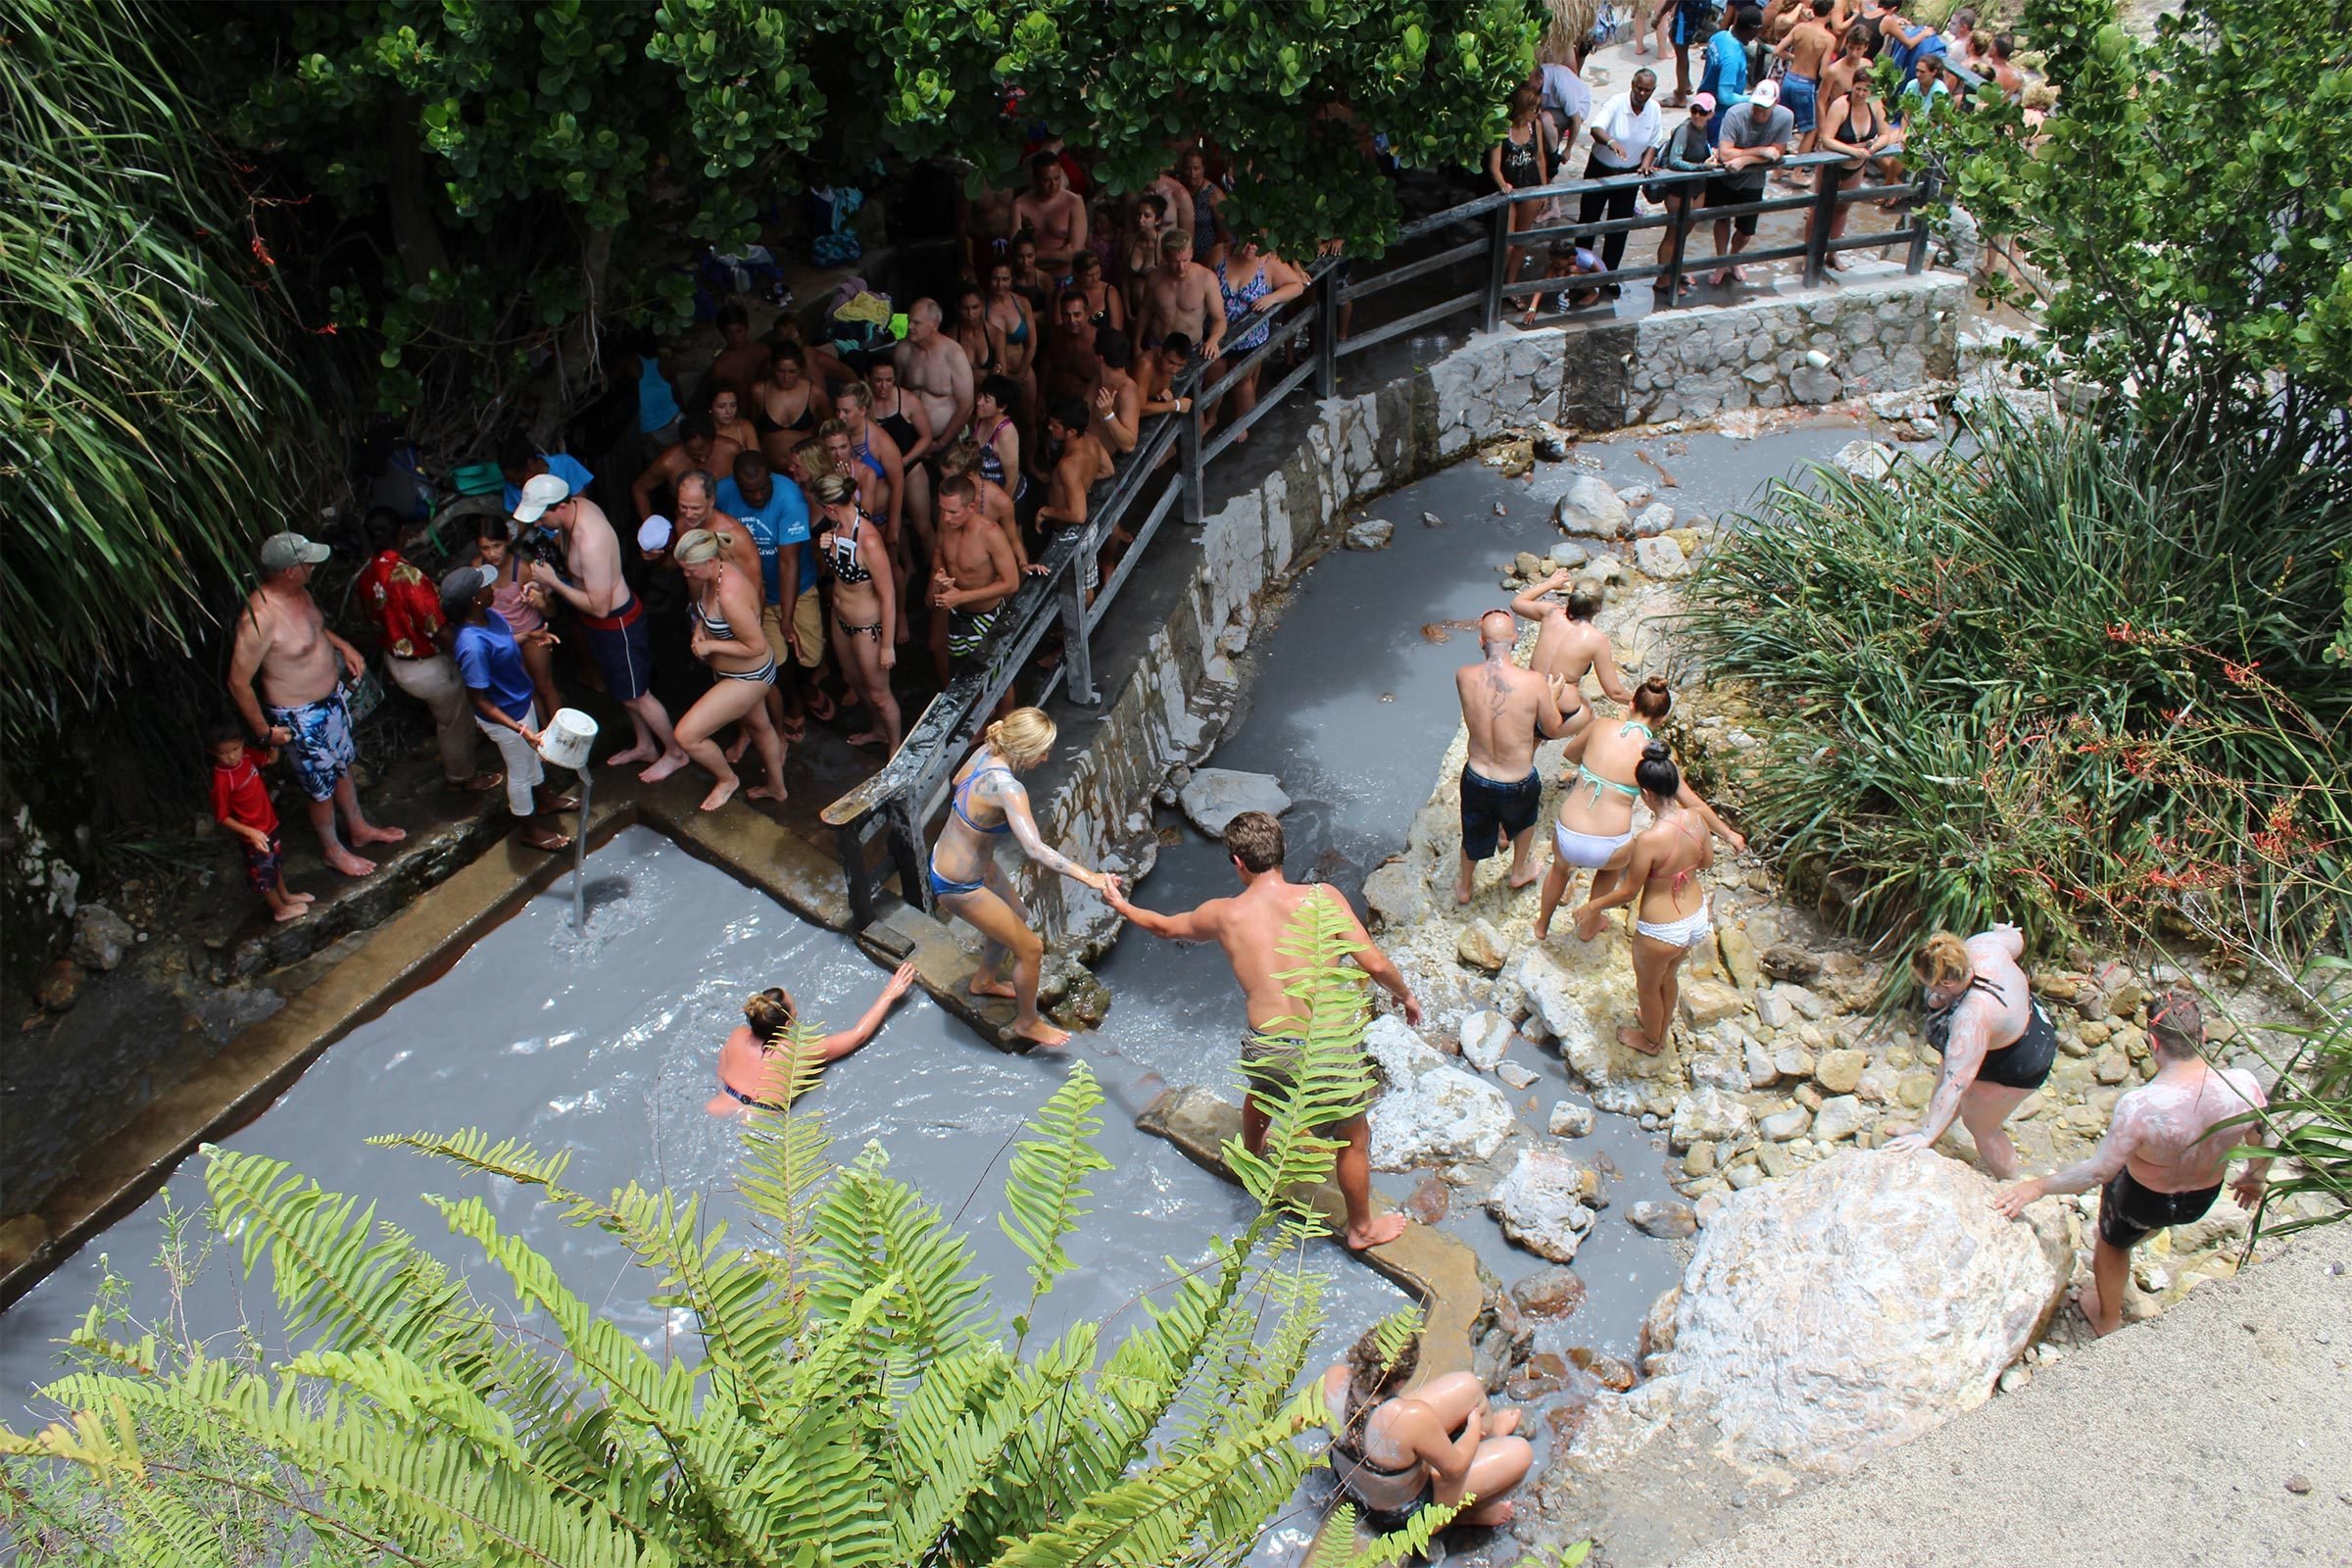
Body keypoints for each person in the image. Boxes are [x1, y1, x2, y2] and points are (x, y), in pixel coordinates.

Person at [1106, 811, 1421, 1248]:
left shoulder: (1223, 914)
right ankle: (1362, 1229)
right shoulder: (1323, 897)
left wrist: (1122, 905)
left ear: (1237, 862)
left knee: (1265, 1086)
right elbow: (1375, 963)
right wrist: (1406, 997)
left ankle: (1252, 1155)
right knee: (1353, 1136)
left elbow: (1163, 927)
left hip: (1267, 1044)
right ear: (1282, 851)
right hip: (1322, 1047)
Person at [1993, 990, 2273, 1336]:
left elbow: (2099, 1171)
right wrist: (2255, 1177)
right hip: (2199, 1201)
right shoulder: (2243, 1085)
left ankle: (2106, 1317)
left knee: (2112, 1243)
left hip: (2143, 1200)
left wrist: (2037, 1186)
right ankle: (2146, 1241)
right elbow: (2261, 1136)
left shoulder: (2140, 1106)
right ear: (2202, 1035)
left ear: (2154, 1043)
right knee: (2150, 1221)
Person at [925, 709, 1115, 1049]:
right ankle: (1028, 1023)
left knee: (1019, 918)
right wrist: (1089, 876)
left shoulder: (985, 751)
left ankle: (983, 981)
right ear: (1024, 750)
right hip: (958, 884)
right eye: (1042, 751)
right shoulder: (1009, 788)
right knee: (1031, 948)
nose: (1046, 758)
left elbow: (957, 783)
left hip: (957, 859)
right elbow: (1035, 849)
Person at [227, 532, 408, 877]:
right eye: (306, 562)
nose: (313, 566)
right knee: (320, 789)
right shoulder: (260, 618)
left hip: (331, 700)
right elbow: (238, 682)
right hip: (300, 716)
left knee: (342, 767)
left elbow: (314, 631)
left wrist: (343, 647)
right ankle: (332, 850)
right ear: (290, 571)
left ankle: (358, 828)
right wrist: (265, 733)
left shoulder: (300, 592)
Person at [1535, 676, 1743, 941]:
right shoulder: (1653, 758)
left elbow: (1570, 754)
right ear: (1662, 720)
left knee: (1559, 869)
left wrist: (1591, 766)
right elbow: (1692, 802)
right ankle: (1588, 927)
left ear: (1631, 703)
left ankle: (1542, 925)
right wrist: (1729, 834)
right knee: (1610, 869)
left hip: (1568, 835)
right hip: (1608, 847)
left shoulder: (1600, 726)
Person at [519, 472, 690, 780]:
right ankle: (645, 745)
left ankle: (676, 752)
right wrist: (543, 585)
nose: (536, 524)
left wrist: (554, 583)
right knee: (624, 693)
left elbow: (599, 605)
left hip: (617, 623)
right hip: (600, 623)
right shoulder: (578, 507)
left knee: (639, 695)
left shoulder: (591, 540)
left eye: (540, 516)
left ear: (559, 507)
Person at [1570, 741, 1721, 1054]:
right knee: (1669, 976)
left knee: (1648, 987)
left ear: (1646, 795)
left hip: (1662, 929)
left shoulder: (1649, 840)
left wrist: (1592, 905)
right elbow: (1706, 863)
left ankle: (1652, 1041)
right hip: (1695, 918)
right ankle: (1660, 1024)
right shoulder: (1696, 818)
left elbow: (1628, 892)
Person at [1886, 926, 2060, 1177]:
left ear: (1946, 982)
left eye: (1927, 983)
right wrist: (2006, 929)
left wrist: (1924, 1138)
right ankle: (1933, 1125)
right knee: (1950, 1068)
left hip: (2020, 1058)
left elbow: (1956, 1084)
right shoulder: (1981, 945)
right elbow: (2015, 939)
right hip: (2028, 1018)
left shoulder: (1972, 1018)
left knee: (1980, 1124)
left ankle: (2009, 1183)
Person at [1322, 1326, 1532, 1530]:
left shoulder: (1333, 1377)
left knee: (1469, 1387)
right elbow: (1454, 1469)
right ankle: (1468, 1514)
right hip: (1397, 1513)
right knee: (1521, 1453)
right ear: (1400, 1381)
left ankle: (1492, 1436)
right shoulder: (1410, 1419)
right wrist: (1474, 1429)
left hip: (1352, 1478)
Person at [353, 509, 497, 798]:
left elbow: (365, 614)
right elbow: (438, 629)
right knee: (455, 721)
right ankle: (462, 777)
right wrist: (467, 658)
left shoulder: (367, 571)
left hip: (395, 659)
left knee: (445, 714)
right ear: (402, 533)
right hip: (426, 666)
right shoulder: (408, 577)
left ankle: (445, 732)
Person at [440, 564, 578, 851]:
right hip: (505, 717)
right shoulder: (471, 646)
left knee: (532, 757)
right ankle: (528, 830)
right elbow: (478, 699)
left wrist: (526, 637)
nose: (493, 589)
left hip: (519, 700)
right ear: (475, 600)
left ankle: (546, 801)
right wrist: (519, 729)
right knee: (519, 771)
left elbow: (500, 645)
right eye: (486, 587)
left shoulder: (488, 616)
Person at [662, 528, 788, 811]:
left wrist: (712, 649)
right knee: (759, 726)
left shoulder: (729, 594)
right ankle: (778, 789)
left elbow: (756, 645)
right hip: (733, 673)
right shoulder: (714, 574)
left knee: (686, 736)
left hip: (749, 676)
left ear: (708, 561)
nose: (686, 575)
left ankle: (727, 779)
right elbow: (706, 613)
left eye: (689, 570)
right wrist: (699, 630)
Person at [1454, 610, 1575, 905]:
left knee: (1472, 828)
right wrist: (1551, 695)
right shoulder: (1533, 682)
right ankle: (1518, 871)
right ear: (1515, 639)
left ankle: (1466, 887)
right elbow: (1552, 728)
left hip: (1477, 775)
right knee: (1525, 821)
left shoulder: (1464, 676)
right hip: (1517, 778)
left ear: (1481, 641)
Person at [707, 961, 922, 1113]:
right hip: (760, 1120)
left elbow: (722, 1073)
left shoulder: (737, 1035)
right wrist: (890, 993)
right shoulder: (800, 1052)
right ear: (788, 1024)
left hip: (719, 1105)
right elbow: (858, 1036)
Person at [715, 450, 817, 739]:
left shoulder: (790, 497)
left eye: (764, 488)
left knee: (812, 653)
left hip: (797, 586)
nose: (759, 496)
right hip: (751, 594)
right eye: (751, 492)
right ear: (736, 484)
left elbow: (789, 562)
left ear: (771, 477)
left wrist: (787, 619)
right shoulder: (722, 493)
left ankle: (807, 685)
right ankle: (793, 700)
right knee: (776, 658)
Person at [810, 471, 902, 752]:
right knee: (854, 681)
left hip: (867, 628)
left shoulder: (869, 540)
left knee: (879, 694)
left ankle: (895, 749)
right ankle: (878, 730)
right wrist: (824, 545)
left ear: (830, 508)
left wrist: (887, 645)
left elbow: (888, 595)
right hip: (841, 620)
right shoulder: (836, 530)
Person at [208, 718, 313, 923]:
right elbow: (222, 817)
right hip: (254, 834)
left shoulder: (246, 757)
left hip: (268, 824)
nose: (231, 756)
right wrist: (250, 832)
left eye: (235, 748)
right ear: (213, 753)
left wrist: (272, 740)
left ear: (242, 744)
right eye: (223, 752)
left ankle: (286, 896)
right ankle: (279, 909)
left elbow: (270, 759)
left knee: (275, 863)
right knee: (264, 874)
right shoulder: (222, 780)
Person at [474, 516, 564, 727]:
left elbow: (552, 611)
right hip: (506, 638)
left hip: (533, 632)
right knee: (526, 689)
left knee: (544, 686)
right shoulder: (478, 568)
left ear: (507, 540)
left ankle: (561, 735)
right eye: (485, 548)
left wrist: (540, 602)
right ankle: (542, 736)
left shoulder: (523, 568)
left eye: (496, 545)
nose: (492, 553)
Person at [1210, 241, 1305, 440]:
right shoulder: (1220, 253)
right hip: (1217, 334)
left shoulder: (1269, 261)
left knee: (1242, 381)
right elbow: (1201, 278)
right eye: (1245, 242)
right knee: (1213, 379)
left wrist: (1272, 298)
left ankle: (1241, 423)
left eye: (1255, 243)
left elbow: (1297, 286)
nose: (1249, 247)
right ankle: (1210, 418)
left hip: (1251, 336)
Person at [1580, 70, 1664, 286]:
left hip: (1628, 175)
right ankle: (1579, 272)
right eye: (1639, 88)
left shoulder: (1654, 109)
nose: (1642, 93)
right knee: (1588, 222)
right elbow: (1596, 128)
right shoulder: (1616, 102)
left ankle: (1608, 276)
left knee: (1619, 227)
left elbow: (1654, 143)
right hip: (1601, 171)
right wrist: (1611, 142)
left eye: (1647, 90)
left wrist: (1645, 164)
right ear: (1632, 84)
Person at [1508, 573, 1635, 718]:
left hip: (1528, 695)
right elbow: (1614, 692)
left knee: (1530, 736)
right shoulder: (1597, 640)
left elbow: (1516, 603)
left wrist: (1550, 584)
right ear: (1598, 607)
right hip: (1561, 707)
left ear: (1572, 598)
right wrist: (1639, 703)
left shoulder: (1550, 613)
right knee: (1587, 711)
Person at [929, 474, 1021, 670]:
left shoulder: (991, 534)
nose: (946, 517)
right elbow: (938, 551)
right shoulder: (947, 523)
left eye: (953, 512)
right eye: (942, 510)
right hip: (956, 612)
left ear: (970, 507)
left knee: (996, 679)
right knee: (959, 668)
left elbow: (1011, 582)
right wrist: (939, 574)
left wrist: (962, 596)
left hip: (986, 615)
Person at [1706, 79, 1793, 285]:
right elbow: (1726, 153)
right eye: (1756, 105)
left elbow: (1777, 153)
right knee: (1721, 219)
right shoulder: (1735, 114)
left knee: (1746, 231)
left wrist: (1744, 159)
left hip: (1753, 181)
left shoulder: (1785, 117)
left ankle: (1733, 257)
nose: (1759, 111)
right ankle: (1721, 260)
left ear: (1776, 103)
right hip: (1727, 177)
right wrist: (1761, 151)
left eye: (1765, 107)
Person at [1806, 62, 1888, 260]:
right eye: (1858, 89)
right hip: (1833, 164)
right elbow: (1827, 138)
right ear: (1852, 87)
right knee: (1819, 209)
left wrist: (1873, 147)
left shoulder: (1875, 104)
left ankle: (1832, 252)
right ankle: (1808, 254)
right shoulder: (1840, 105)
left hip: (1857, 165)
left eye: (1865, 90)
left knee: (1843, 208)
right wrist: (1852, 150)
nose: (1861, 94)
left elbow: (1886, 134)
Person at [892, 298, 975, 483]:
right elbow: (896, 394)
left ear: (934, 324)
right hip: (911, 439)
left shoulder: (954, 354)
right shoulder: (903, 350)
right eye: (909, 320)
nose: (910, 326)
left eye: (917, 322)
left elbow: (966, 407)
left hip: (946, 439)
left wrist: (941, 442)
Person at [1488, 85, 1556, 297]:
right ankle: (1494, 288)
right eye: (1533, 109)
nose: (1536, 113)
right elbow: (1494, 165)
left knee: (1521, 243)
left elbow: (1540, 158)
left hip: (1530, 187)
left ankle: (1511, 287)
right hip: (1510, 191)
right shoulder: (1502, 128)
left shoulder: (1534, 125)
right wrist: (1502, 185)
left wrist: (1544, 190)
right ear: (1521, 107)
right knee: (1506, 245)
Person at [1646, 93, 1718, 294]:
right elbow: (1674, 162)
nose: (1697, 115)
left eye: (1702, 112)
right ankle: (1663, 279)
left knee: (1683, 234)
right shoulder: (1683, 130)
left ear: (1711, 114)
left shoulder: (1704, 130)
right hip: (1679, 190)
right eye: (1694, 110)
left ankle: (1674, 271)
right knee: (1673, 233)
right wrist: (1701, 168)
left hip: (1696, 189)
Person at [631, 410, 741, 522]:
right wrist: (650, 525)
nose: (702, 459)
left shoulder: (732, 450)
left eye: (708, 454)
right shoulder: (668, 462)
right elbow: (639, 488)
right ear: (683, 445)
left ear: (714, 440)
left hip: (730, 518)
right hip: (689, 525)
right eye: (695, 456)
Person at [1140, 228, 1225, 361]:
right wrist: (1136, 342)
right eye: (1175, 261)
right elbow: (1145, 310)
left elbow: (1220, 319)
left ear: (1191, 252)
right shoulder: (1154, 277)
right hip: (1158, 345)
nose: (1181, 267)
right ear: (1165, 256)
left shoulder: (1207, 279)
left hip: (1191, 348)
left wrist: (1213, 340)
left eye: (1185, 260)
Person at [749, 340, 831, 465]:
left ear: (801, 369)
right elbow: (750, 427)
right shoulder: (759, 392)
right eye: (780, 371)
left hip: (807, 467)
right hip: (769, 467)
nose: (786, 377)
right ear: (772, 368)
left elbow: (831, 428)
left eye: (792, 371)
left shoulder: (815, 394)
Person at [1777, 0, 1840, 157]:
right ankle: (1798, 171)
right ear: (1830, 13)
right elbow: (1823, 72)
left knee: (1785, 124)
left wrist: (1795, 57)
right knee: (1811, 129)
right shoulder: (1828, 38)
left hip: (1789, 78)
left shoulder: (1800, 28)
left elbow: (1778, 50)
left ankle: (1777, 170)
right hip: (1806, 84)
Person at [1011, 151, 1088, 277]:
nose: (1053, 185)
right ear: (1035, 178)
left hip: (1066, 277)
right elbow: (1016, 250)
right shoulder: (1019, 205)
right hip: (1032, 278)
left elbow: (1075, 251)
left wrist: (1033, 254)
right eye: (1046, 180)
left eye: (1057, 178)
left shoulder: (1074, 202)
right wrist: (1061, 254)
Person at [1699, 5, 1765, 146]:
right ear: (1753, 29)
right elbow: (1726, 96)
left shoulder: (1719, 36)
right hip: (1718, 116)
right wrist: (1753, 98)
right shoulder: (1732, 58)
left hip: (1704, 102)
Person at [984, 259, 1040, 409]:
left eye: (1005, 279)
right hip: (997, 375)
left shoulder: (1022, 302)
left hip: (1023, 369)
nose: (1000, 284)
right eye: (995, 279)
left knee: (1028, 421)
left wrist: (1021, 374)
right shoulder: (982, 307)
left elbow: (1032, 344)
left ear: (1012, 279)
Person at [496, 436, 595, 515]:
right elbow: (519, 522)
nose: (517, 486)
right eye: (512, 482)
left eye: (520, 481)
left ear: (530, 464)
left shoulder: (565, 465)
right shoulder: (511, 486)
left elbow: (582, 507)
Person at [1040, 289, 1102, 408]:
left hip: (1087, 408)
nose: (1072, 320)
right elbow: (1047, 365)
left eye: (1077, 314)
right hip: (1057, 404)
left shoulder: (1100, 341)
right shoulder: (1056, 335)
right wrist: (1041, 396)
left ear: (1087, 313)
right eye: (1066, 315)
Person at [1090, 328, 1143, 455]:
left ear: (1100, 358)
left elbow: (1129, 445)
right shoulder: (1097, 380)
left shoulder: (1127, 392)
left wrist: (1108, 414)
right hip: (1085, 448)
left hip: (1104, 460)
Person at [1662, 0, 1722, 107]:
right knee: (1674, 37)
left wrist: (1659, 15)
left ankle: (1680, 97)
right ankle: (1685, 83)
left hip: (1687, 10)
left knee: (1681, 50)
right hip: (1698, 7)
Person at [1176, 146, 1227, 268]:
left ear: (1203, 168)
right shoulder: (1178, 189)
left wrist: (1211, 257)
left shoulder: (1214, 194)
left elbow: (1225, 234)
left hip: (1208, 258)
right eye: (1188, 169)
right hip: (1180, 257)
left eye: (1196, 169)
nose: (1192, 173)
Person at [708, 302, 769, 397]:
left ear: (747, 328)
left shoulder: (762, 351)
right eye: (729, 333)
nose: (735, 337)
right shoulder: (720, 367)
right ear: (722, 333)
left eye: (739, 331)